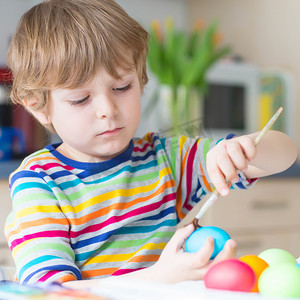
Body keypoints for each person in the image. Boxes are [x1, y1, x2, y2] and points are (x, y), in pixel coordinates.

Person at [4, 0, 297, 288]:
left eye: (122, 87)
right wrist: (158, 277)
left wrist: (244, 148)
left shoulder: (165, 158)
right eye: (81, 99)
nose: (108, 109)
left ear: (141, 81)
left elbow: (285, 155)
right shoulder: (39, 183)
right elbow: (52, 292)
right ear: (39, 107)